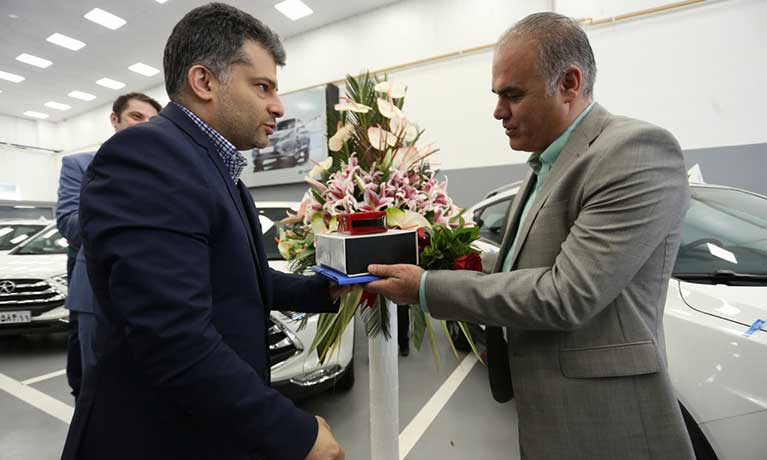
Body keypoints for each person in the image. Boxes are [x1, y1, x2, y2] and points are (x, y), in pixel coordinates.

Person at [366, 12, 695, 460]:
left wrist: (426, 287)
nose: (498, 111)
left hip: (606, 420)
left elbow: (567, 294)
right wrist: (446, 256)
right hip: (549, 410)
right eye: (498, 96)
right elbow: (526, 263)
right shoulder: (545, 163)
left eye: (513, 95)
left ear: (569, 84)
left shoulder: (633, 152)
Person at [60, 4, 345, 460]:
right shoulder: (148, 156)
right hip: (157, 439)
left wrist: (326, 290)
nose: (278, 106)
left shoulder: (215, 168)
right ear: (204, 82)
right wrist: (295, 433)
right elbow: (173, 336)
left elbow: (235, 279)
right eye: (263, 87)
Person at [56, 92, 161, 398]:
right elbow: (69, 224)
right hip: (96, 294)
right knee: (95, 387)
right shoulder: (80, 165)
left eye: (152, 120)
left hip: (156, 291)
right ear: (115, 119)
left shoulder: (164, 170)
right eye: (136, 117)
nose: (144, 125)